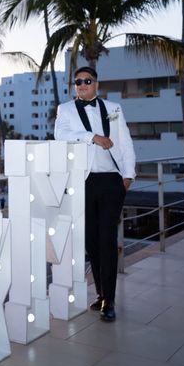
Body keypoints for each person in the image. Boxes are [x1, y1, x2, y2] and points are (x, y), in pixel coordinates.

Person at [54, 66, 135, 322]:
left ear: (96, 84)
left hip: (112, 180)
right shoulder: (65, 110)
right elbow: (60, 135)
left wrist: (128, 174)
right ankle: (100, 295)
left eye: (87, 81)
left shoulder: (114, 109)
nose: (82, 85)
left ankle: (109, 301)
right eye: (78, 82)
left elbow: (125, 141)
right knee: (91, 242)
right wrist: (92, 137)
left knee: (107, 241)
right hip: (84, 182)